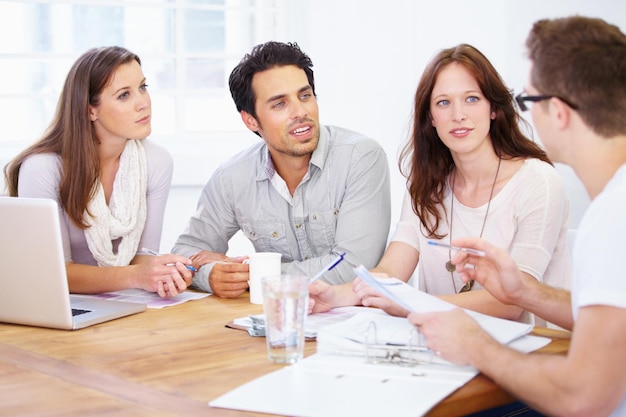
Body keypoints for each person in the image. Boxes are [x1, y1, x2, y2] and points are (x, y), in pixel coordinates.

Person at [410, 16, 626, 417]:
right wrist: (523, 291)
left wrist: (475, 345)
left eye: (529, 100)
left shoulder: (613, 218)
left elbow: (584, 399)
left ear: (558, 112)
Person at [309, 44, 571, 325]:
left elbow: (512, 302)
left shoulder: (538, 182)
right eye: (443, 102)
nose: (458, 114)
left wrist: (412, 304)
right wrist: (337, 296)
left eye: (472, 99)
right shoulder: (426, 185)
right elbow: (392, 268)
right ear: (431, 118)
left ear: (494, 108)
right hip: (442, 347)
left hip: (527, 354)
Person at [172, 41, 391, 298]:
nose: (300, 112)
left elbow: (354, 267)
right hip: (274, 320)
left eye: (305, 96)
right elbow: (185, 252)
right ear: (250, 120)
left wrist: (253, 273)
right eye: (279, 104)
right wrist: (211, 275)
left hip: (355, 319)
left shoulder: (361, 157)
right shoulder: (232, 177)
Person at [3, 46, 194, 298]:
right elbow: (54, 273)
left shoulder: (156, 162)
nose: (143, 103)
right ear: (90, 109)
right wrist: (135, 276)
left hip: (121, 303)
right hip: (56, 305)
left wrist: (171, 270)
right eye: (124, 95)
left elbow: (143, 257)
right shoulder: (43, 168)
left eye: (143, 87)